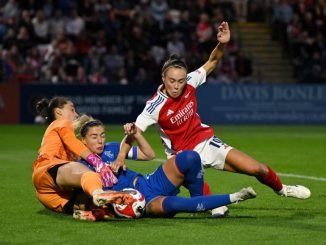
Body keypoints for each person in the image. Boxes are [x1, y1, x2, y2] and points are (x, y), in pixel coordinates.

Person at [119, 21, 311, 216]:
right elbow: (134, 132)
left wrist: (223, 44)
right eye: (172, 81)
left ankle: (283, 190)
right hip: (182, 158)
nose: (177, 86)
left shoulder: (191, 82)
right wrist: (120, 158)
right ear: (163, 79)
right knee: (214, 209)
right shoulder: (155, 105)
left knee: (258, 169)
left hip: (207, 143)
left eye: (180, 80)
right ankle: (213, 205)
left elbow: (212, 62)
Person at [73, 115, 257, 220]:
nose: (100, 140)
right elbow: (85, 199)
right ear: (83, 140)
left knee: (190, 157)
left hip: (149, 182)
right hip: (140, 203)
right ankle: (234, 197)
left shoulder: (112, 148)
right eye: (94, 137)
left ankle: (201, 201)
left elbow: (148, 155)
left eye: (102, 135)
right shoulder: (81, 167)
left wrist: (137, 134)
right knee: (174, 204)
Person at [32, 96, 135, 216]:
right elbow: (73, 143)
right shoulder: (61, 122)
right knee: (90, 175)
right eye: (72, 109)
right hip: (49, 168)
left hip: (45, 190)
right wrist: (97, 162)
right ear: (58, 111)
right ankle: (98, 194)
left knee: (83, 202)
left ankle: (83, 212)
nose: (75, 114)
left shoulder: (54, 131)